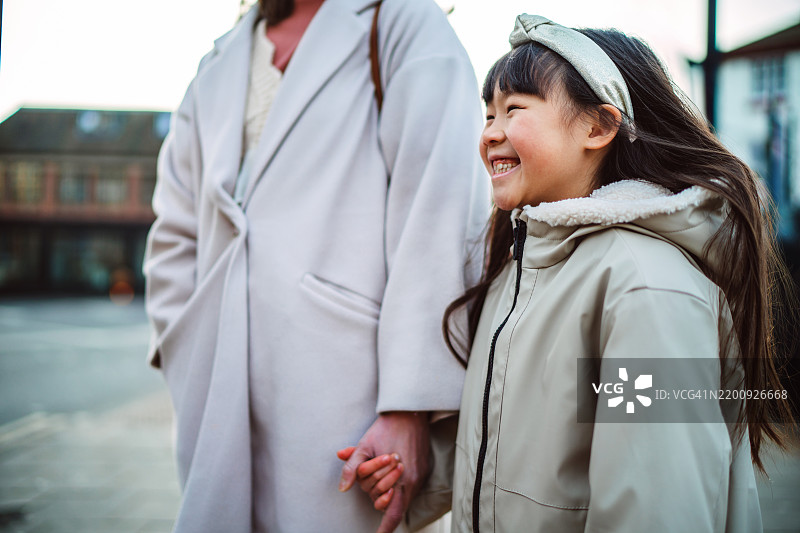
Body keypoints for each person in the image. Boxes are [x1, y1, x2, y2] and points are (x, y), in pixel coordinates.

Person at [369, 13, 796, 533]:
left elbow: (655, 507)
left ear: (599, 127)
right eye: (488, 114)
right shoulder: (521, 272)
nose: (491, 134)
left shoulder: (646, 287)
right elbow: (516, 440)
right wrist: (411, 469)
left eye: (514, 109)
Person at [142, 0, 489, 531]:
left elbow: (437, 209)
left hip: (352, 396)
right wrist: (184, 349)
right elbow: (174, 229)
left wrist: (409, 406)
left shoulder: (402, 23)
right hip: (218, 395)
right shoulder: (219, 62)